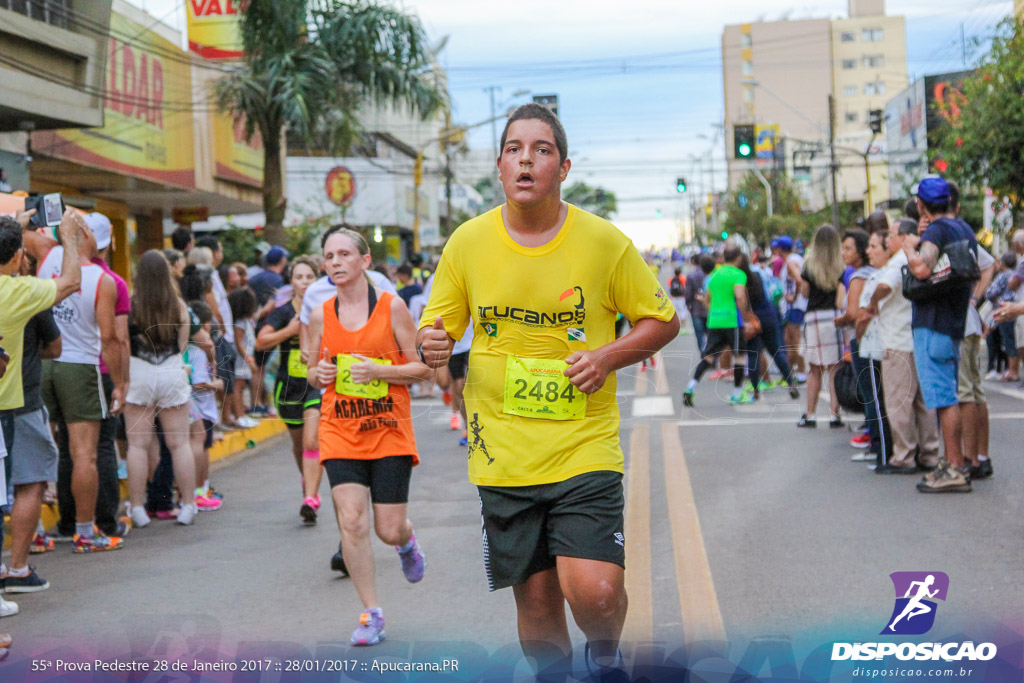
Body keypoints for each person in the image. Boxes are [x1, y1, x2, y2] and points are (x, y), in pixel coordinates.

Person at [418, 103, 679, 680]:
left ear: (563, 167)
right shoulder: (467, 243)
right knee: (536, 605)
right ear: (500, 164)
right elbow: (437, 326)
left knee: (597, 593)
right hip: (502, 455)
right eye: (514, 149)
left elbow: (661, 320)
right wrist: (432, 343)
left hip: (583, 446)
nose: (526, 160)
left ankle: (605, 653)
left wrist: (607, 356)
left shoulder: (603, 242)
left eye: (541, 150)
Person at [307, 226, 433, 646]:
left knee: (387, 528)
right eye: (329, 256)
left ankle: (406, 543)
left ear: (364, 262)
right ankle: (371, 614)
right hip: (340, 428)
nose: (336, 262)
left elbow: (422, 368)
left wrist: (380, 371)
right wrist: (320, 373)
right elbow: (312, 370)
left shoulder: (392, 307)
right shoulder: (319, 314)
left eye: (345, 254)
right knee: (353, 521)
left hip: (388, 431)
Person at [0, 210, 88, 593]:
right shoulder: (16, 292)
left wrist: (14, 229)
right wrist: (68, 237)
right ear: (19, 256)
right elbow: (70, 281)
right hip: (13, 404)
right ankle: (17, 569)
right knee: (30, 482)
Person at [28, 212, 127, 553]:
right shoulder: (103, 279)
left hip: (41, 364)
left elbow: (17, 234)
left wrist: (32, 217)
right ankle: (85, 532)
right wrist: (119, 383)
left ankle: (37, 531)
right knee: (84, 454)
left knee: (38, 450)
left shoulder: (49, 255)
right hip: (80, 367)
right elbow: (110, 339)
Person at [902, 177, 979, 493]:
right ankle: (956, 464)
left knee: (944, 399)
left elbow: (921, 270)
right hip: (953, 322)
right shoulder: (964, 229)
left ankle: (952, 467)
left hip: (932, 324)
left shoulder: (937, 230)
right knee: (950, 395)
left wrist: (909, 247)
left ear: (921, 205)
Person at [123, 250, 197, 526]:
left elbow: (123, 342)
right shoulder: (177, 305)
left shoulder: (131, 305)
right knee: (179, 444)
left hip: (138, 371)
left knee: (138, 446)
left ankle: (139, 510)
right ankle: (188, 505)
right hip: (171, 370)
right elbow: (182, 345)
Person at [864, 218, 941, 473]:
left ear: (905, 236)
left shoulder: (899, 260)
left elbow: (885, 286)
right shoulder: (923, 255)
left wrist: (873, 302)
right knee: (922, 402)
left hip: (897, 339)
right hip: (917, 335)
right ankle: (929, 453)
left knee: (899, 401)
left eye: (893, 235)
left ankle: (903, 455)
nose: (889, 240)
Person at [256, 257, 324, 523]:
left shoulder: (325, 309)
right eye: (299, 277)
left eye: (309, 277)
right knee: (299, 445)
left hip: (316, 383)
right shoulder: (283, 312)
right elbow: (261, 341)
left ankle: (311, 496)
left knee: (311, 440)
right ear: (291, 281)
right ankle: (307, 481)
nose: (304, 282)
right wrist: (290, 331)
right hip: (289, 386)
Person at [834, 228, 883, 455]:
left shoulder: (858, 276)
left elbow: (853, 313)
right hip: (880, 337)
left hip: (861, 338)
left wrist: (840, 319)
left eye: (848, 249)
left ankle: (876, 442)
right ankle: (878, 439)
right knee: (878, 392)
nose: (843, 253)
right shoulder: (878, 271)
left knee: (869, 392)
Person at [683, 245, 752, 406]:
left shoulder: (714, 276)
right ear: (739, 259)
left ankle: (690, 387)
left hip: (714, 321)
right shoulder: (738, 274)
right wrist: (747, 318)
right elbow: (740, 297)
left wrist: (713, 311)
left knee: (709, 356)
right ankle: (737, 394)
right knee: (739, 356)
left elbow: (707, 298)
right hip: (732, 321)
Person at [853, 231, 895, 471]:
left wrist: (859, 339)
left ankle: (883, 454)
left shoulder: (875, 279)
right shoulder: (898, 273)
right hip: (891, 343)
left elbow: (863, 316)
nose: (869, 251)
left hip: (873, 344)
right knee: (889, 400)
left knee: (876, 401)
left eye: (874, 246)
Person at [796, 225, 845, 428]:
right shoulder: (841, 265)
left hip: (814, 317)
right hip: (834, 316)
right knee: (835, 368)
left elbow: (805, 293)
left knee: (814, 369)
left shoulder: (809, 265)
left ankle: (810, 414)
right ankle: (835, 415)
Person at [737, 254, 800, 402]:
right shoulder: (757, 275)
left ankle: (756, 391)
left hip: (753, 319)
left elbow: (742, 301)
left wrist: (746, 318)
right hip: (768, 315)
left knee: (753, 354)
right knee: (776, 352)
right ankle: (791, 382)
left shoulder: (739, 280)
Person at [684, 254, 713, 353]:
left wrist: (688, 304)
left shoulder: (691, 276)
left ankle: (704, 354)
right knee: (710, 333)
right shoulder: (712, 275)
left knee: (699, 334)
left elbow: (688, 293)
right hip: (710, 308)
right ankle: (712, 354)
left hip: (696, 309)